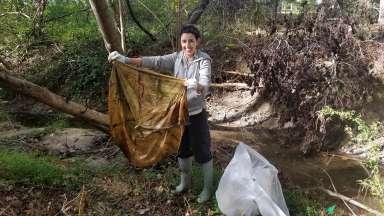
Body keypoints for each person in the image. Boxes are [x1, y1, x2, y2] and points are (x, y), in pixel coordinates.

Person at [108, 24, 213, 203]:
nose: (187, 45)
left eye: (191, 41)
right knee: (182, 151)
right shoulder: (177, 58)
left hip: (196, 114)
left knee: (202, 151)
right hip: (178, 113)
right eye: (184, 41)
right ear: (180, 43)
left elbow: (205, 82)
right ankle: (184, 183)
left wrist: (196, 84)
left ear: (198, 42)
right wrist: (125, 60)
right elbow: (154, 61)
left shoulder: (204, 60)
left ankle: (207, 189)